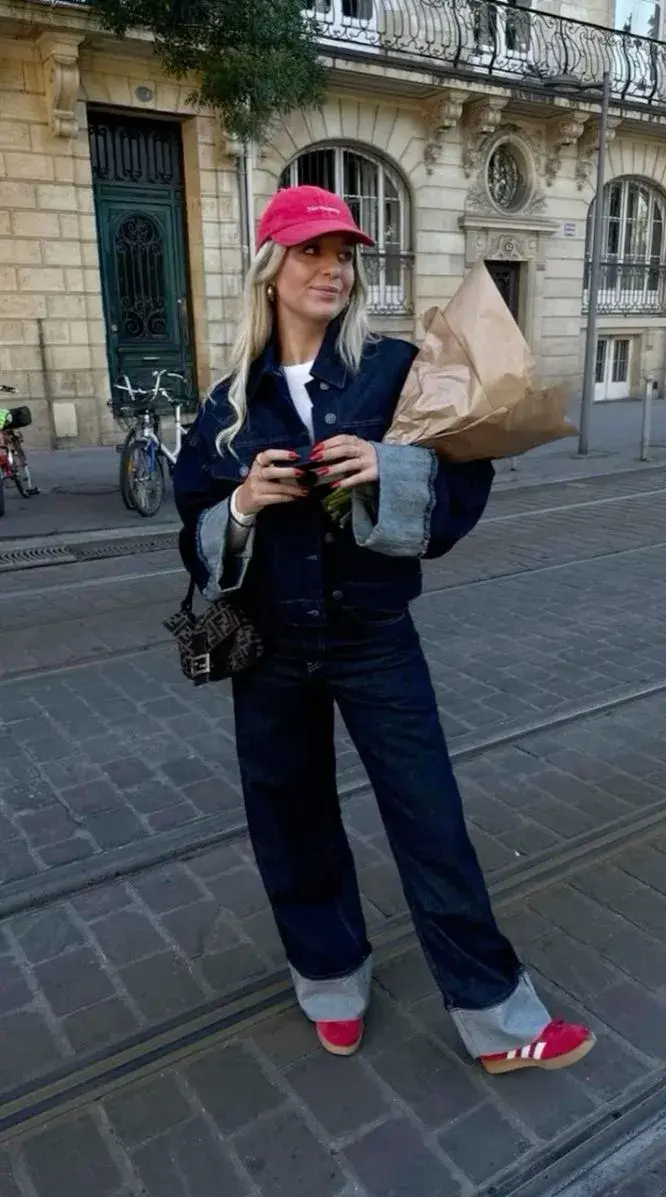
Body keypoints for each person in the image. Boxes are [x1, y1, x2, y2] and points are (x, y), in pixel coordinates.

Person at [173, 184, 596, 1073]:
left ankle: (494, 1013)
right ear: (270, 268)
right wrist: (243, 503)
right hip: (272, 650)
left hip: (373, 637)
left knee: (431, 818)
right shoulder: (227, 403)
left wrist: (387, 470)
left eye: (342, 254)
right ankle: (330, 977)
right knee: (290, 818)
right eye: (310, 252)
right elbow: (194, 534)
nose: (331, 269)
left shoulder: (394, 369)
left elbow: (465, 488)